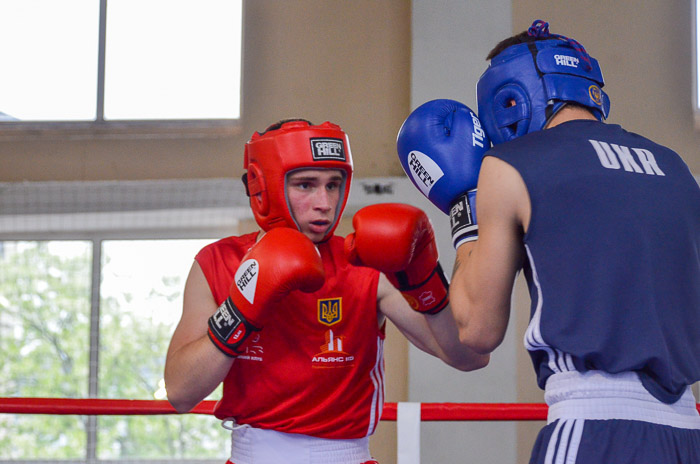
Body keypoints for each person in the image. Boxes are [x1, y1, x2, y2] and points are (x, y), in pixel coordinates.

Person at [396, 19, 700, 464]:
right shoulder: (676, 169)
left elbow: (477, 330)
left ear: (508, 103)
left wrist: (466, 207)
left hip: (593, 429)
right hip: (686, 431)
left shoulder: (511, 164)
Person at [164, 118, 488, 464]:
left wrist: (424, 281)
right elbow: (181, 393)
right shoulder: (219, 262)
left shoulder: (364, 263)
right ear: (263, 188)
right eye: (306, 185)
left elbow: (468, 357)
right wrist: (241, 309)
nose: (325, 203)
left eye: (333, 185)